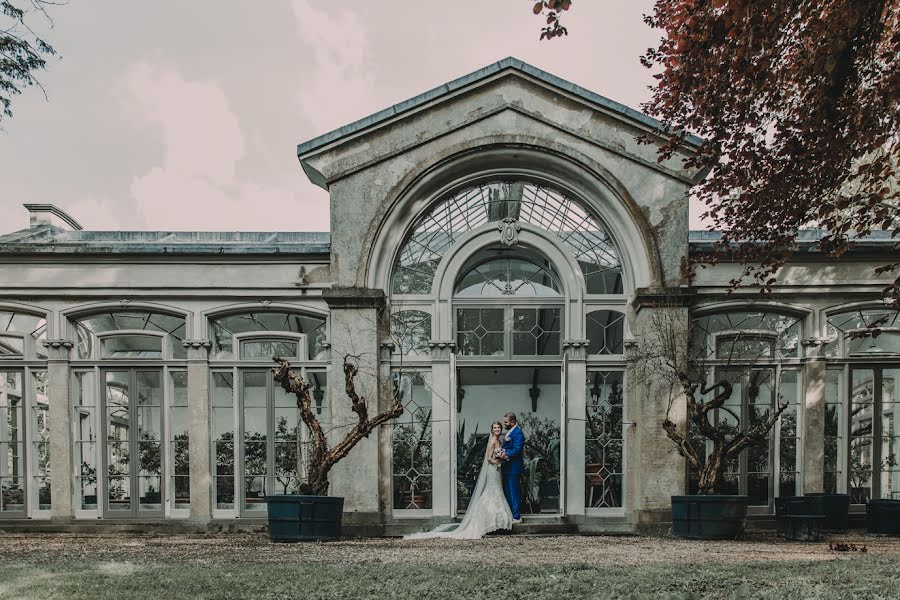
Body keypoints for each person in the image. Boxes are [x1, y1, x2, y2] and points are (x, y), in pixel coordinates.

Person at [404, 421, 512, 540]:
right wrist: (498, 461)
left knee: (497, 490)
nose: (497, 429)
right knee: (491, 491)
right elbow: (489, 458)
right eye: (495, 428)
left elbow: (499, 454)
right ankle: (486, 521)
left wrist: (502, 458)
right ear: (492, 430)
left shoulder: (499, 441)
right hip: (492, 469)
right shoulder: (492, 441)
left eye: (498, 427)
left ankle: (496, 521)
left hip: (497, 470)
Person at [500, 412, 525, 524]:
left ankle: (517, 516)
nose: (504, 424)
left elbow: (517, 449)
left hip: (514, 468)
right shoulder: (510, 432)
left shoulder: (518, 433)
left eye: (506, 422)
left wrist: (505, 454)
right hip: (507, 467)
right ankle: (511, 514)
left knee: (514, 492)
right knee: (508, 492)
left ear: (513, 422)